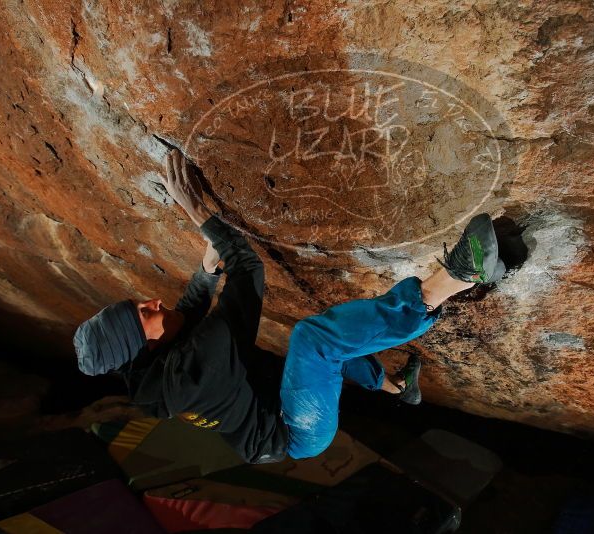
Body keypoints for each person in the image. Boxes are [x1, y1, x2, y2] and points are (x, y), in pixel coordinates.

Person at [73, 150, 505, 463]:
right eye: (143, 312)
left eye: (139, 302)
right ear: (142, 342)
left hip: (270, 397)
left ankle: (400, 390)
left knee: (314, 359)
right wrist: (196, 210)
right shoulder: (197, 368)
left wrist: (206, 271)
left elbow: (182, 318)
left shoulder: (137, 365)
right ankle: (450, 283)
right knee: (314, 341)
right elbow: (248, 268)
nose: (153, 302)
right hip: (295, 431)